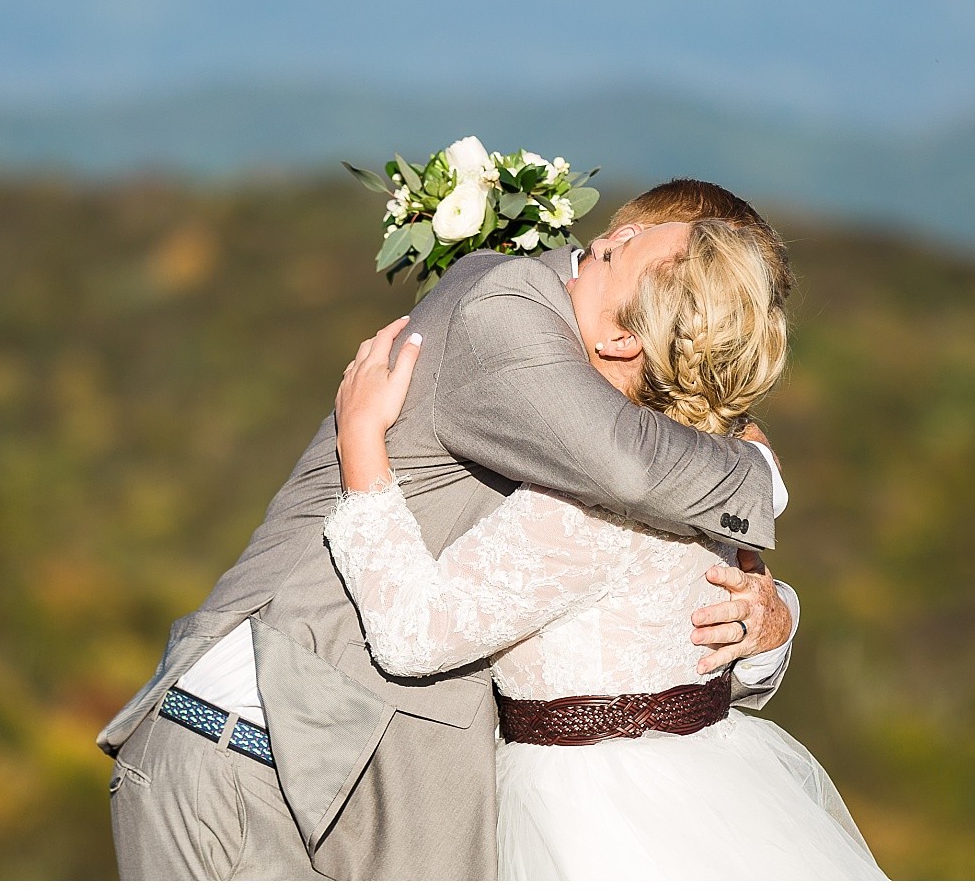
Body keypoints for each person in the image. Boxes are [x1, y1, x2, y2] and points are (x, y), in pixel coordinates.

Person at [99, 179, 803, 880]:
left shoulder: (657, 468)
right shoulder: (508, 311)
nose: (599, 239)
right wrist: (761, 473)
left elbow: (652, 656)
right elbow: (621, 468)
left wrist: (774, 620)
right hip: (247, 751)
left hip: (370, 791)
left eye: (624, 246)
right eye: (621, 233)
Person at [324, 218, 887, 879]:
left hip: (583, 816)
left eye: (610, 253)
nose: (598, 242)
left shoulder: (586, 506)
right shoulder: (722, 464)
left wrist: (359, 441)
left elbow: (413, 634)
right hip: (716, 788)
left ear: (623, 337)